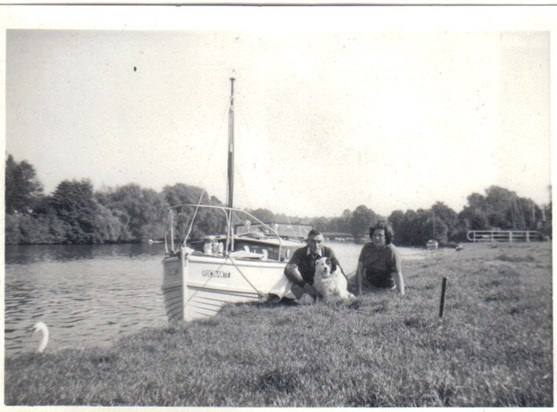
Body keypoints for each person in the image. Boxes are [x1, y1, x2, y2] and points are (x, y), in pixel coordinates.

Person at [284, 229, 340, 302]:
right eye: (313, 241)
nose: (316, 245)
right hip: (305, 286)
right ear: (307, 242)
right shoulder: (300, 252)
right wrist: (306, 286)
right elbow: (289, 269)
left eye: (319, 242)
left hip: (322, 286)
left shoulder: (328, 252)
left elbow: (338, 269)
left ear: (323, 242)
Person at [356, 222, 405, 296]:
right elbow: (359, 270)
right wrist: (359, 291)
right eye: (374, 235)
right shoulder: (366, 247)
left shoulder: (392, 251)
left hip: (386, 287)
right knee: (345, 282)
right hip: (367, 282)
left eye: (380, 235)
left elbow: (398, 275)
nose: (376, 238)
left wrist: (401, 295)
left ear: (386, 237)